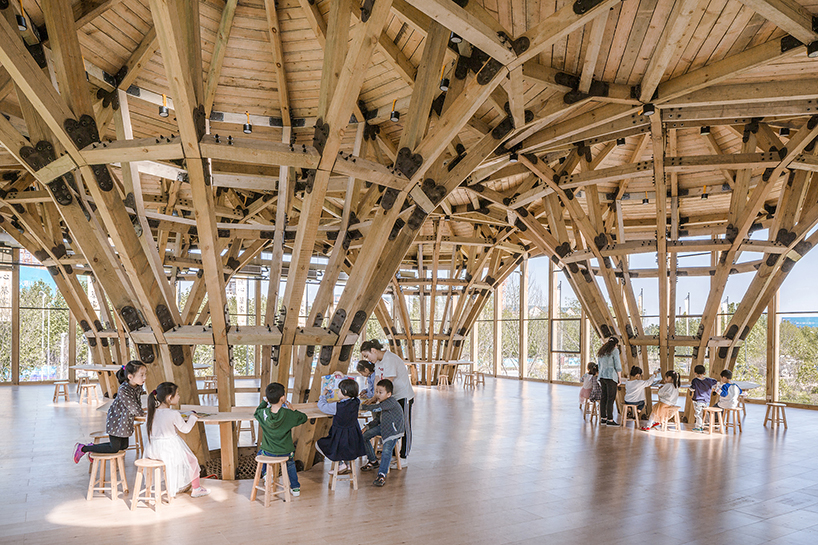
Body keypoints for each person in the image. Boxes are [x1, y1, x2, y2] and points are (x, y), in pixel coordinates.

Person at [143, 382, 209, 498]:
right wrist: (192, 417)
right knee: (192, 460)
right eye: (177, 394)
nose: (178, 397)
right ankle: (196, 489)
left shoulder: (151, 412)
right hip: (168, 449)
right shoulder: (173, 414)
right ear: (169, 398)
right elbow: (186, 429)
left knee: (185, 459)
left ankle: (174, 484)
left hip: (152, 450)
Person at [73, 360, 146, 463]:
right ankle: (83, 448)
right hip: (116, 421)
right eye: (141, 375)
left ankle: (92, 448)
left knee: (124, 446)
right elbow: (133, 407)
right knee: (114, 448)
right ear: (130, 377)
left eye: (145, 375)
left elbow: (137, 404)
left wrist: (141, 411)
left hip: (125, 421)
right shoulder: (124, 389)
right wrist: (142, 413)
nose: (145, 378)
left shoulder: (137, 387)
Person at [360, 339, 414, 464]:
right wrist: (373, 398)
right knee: (390, 425)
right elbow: (378, 380)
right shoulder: (378, 362)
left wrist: (378, 400)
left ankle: (404, 456)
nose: (367, 359)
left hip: (403, 396)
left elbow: (387, 383)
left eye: (367, 355)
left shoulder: (389, 359)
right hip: (391, 397)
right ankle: (394, 454)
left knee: (405, 426)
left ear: (373, 350)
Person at [254, 382, 308, 497]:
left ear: (268, 398)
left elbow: (256, 412)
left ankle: (265, 474)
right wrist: (293, 410)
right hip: (286, 452)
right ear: (283, 398)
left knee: (261, 452)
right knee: (290, 464)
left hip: (269, 452)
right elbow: (304, 418)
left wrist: (264, 402)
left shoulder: (263, 413)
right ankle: (295, 488)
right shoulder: (288, 414)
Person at [360, 379, 405, 487]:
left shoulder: (390, 402)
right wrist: (367, 427)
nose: (378, 395)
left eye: (380, 392)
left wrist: (363, 407)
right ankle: (373, 461)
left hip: (393, 431)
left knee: (386, 450)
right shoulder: (382, 403)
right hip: (383, 427)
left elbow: (376, 408)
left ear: (389, 394)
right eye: (377, 392)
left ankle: (382, 474)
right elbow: (377, 420)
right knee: (364, 436)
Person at [317, 378, 367, 472]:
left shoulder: (337, 406)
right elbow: (351, 389)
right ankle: (347, 465)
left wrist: (323, 396)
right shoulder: (356, 402)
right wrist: (342, 376)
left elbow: (322, 406)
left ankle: (341, 464)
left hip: (338, 439)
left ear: (345, 391)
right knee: (345, 448)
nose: (337, 392)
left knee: (319, 444)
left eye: (339, 390)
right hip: (353, 438)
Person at [596, 337, 622, 426]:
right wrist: (619, 378)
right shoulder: (615, 351)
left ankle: (603, 418)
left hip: (602, 376)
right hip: (611, 376)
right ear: (616, 344)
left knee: (603, 397)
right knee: (611, 398)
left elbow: (599, 366)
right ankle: (610, 420)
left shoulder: (601, 351)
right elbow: (617, 365)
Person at [689, 365, 718, 432]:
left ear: (695, 373)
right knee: (705, 412)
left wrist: (690, 388)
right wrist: (715, 389)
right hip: (706, 400)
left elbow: (692, 389)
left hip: (698, 400)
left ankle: (699, 427)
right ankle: (707, 423)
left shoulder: (695, 381)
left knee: (698, 414)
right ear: (704, 373)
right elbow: (716, 381)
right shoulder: (709, 380)